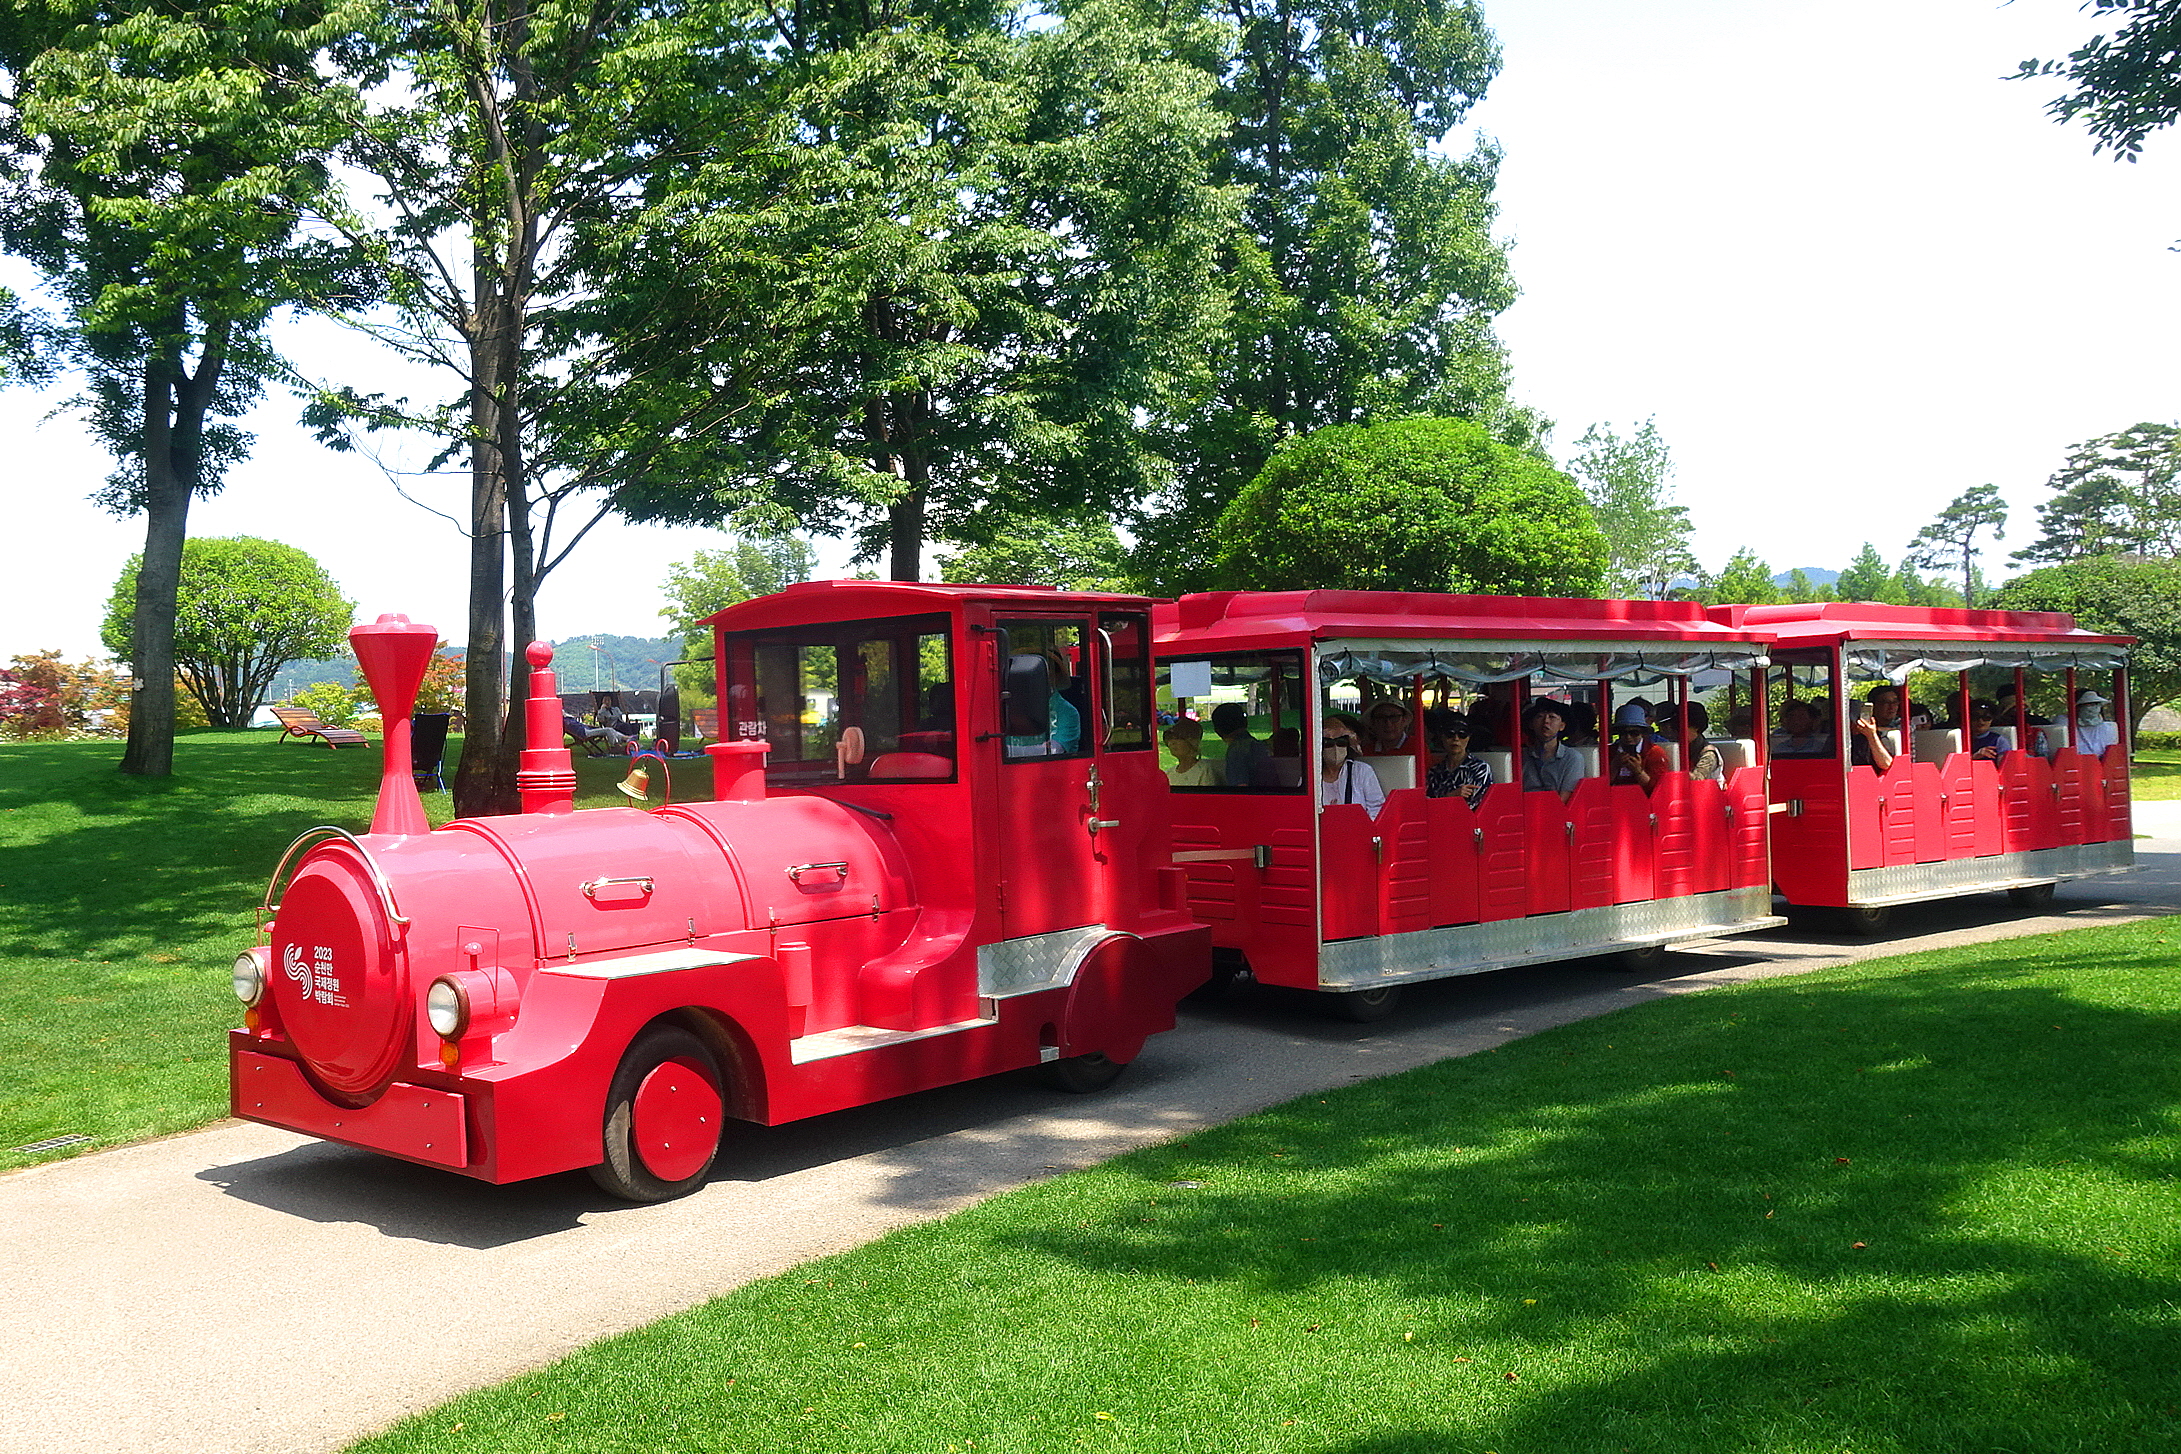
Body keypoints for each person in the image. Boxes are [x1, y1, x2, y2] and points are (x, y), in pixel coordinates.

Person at [1319, 720, 1385, 818]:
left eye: (1341, 742)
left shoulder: (1362, 771)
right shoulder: (1310, 776)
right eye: (1328, 743)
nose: (1335, 748)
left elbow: (1377, 810)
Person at [1521, 700, 1582, 802]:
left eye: (1552, 717)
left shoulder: (1572, 758)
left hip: (1556, 809)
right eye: (1540, 716)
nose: (1546, 721)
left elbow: (1565, 798)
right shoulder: (1522, 756)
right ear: (1531, 724)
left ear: (1562, 726)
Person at [1426, 713, 1491, 807]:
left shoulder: (1479, 768)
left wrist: (1443, 801)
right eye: (1450, 734)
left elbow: (1473, 805)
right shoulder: (1435, 771)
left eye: (1462, 734)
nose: (1456, 739)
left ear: (1469, 737)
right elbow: (1428, 805)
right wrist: (1451, 796)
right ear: (1442, 736)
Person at [1607, 702, 1671, 791]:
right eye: (1623, 732)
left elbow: (1659, 789)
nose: (1628, 737)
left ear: (1642, 733)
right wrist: (1614, 766)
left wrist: (1638, 771)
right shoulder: (1609, 752)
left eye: (1634, 733)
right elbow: (1600, 787)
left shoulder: (1654, 752)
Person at [1211, 701, 1275, 787]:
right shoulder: (1257, 746)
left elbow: (1241, 787)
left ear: (1217, 731)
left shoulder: (1236, 752)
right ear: (1246, 722)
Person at [1849, 685, 1901, 771]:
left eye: (1895, 702)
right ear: (1873, 706)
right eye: (1885, 702)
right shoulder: (1861, 732)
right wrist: (1871, 735)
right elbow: (1886, 764)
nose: (1892, 707)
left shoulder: (1902, 727)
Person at [1162, 717, 1219, 786]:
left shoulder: (1204, 771)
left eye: (1178, 738)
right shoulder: (1168, 774)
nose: (1171, 743)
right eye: (1169, 739)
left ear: (1192, 742)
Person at [1676, 701, 1724, 781]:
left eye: (1681, 728)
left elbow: (1698, 780)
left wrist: (1674, 770)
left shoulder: (1708, 753)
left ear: (1696, 727)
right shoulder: (1677, 749)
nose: (1677, 733)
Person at [2074, 690, 2120, 756]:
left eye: (2097, 704)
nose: (2095, 708)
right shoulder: (2067, 725)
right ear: (2079, 707)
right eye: (2090, 704)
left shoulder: (2110, 728)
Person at [562, 712, 633, 752]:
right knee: (608, 730)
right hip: (584, 733)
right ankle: (616, 746)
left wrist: (591, 727)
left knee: (611, 730)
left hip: (587, 729)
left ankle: (626, 739)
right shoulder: (565, 721)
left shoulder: (568, 719)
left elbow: (581, 725)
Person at [1965, 698, 2008, 762]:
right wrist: (1974, 757)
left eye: (1986, 718)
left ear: (1992, 720)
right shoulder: (1961, 741)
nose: (1981, 722)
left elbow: (2004, 766)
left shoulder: (1999, 741)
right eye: (1975, 717)